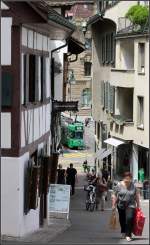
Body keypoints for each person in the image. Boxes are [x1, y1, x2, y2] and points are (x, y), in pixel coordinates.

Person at [111, 172, 140, 242]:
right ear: (123, 178)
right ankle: (123, 231)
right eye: (126, 178)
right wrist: (113, 205)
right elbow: (114, 195)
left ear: (131, 178)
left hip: (131, 204)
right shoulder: (119, 185)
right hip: (121, 204)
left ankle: (128, 235)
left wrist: (138, 205)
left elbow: (136, 196)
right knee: (122, 219)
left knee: (129, 218)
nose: (127, 180)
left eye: (129, 179)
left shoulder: (133, 186)